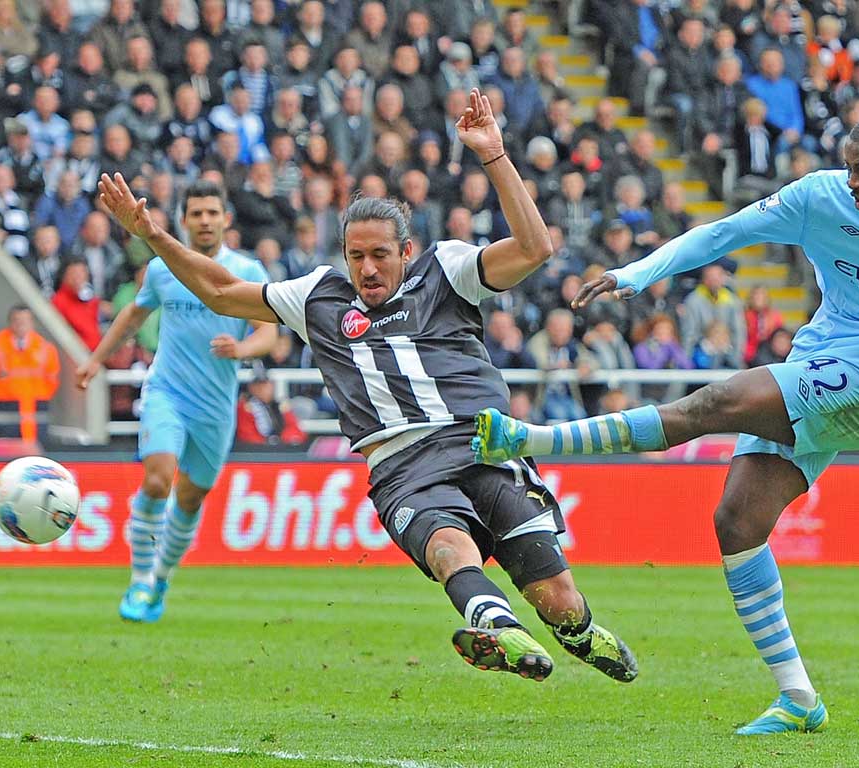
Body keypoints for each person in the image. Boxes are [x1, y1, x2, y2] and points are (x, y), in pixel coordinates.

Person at [472, 110, 859, 731]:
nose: (851, 181)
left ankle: (532, 441)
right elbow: (722, 235)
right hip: (820, 365)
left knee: (714, 403)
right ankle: (799, 698)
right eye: (848, 167)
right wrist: (635, 274)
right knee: (737, 520)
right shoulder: (821, 197)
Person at [96, 88, 637, 684]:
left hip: (486, 444)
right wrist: (150, 232)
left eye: (381, 255)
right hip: (404, 465)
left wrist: (494, 156)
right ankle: (495, 626)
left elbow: (536, 249)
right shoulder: (318, 296)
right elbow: (221, 292)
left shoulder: (448, 270)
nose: (368, 269)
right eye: (357, 257)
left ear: (406, 250)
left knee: (558, 599)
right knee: (447, 546)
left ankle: (576, 630)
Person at [75, 180, 277, 624]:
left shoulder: (247, 271)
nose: (205, 220)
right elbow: (134, 313)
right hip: (166, 392)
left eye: (212, 212)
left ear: (226, 218)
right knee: (156, 481)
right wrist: (95, 361)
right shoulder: (163, 268)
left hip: (216, 406)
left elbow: (269, 329)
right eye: (196, 213)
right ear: (184, 220)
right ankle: (140, 579)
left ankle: (161, 578)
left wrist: (242, 350)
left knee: (190, 498)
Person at [0, 306, 60, 443]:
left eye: (25, 320)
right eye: (17, 320)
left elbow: (52, 381)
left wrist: (36, 394)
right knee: (2, 458)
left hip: (36, 415)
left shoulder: (46, 349)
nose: (21, 325)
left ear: (32, 323)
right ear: (10, 323)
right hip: (4, 415)